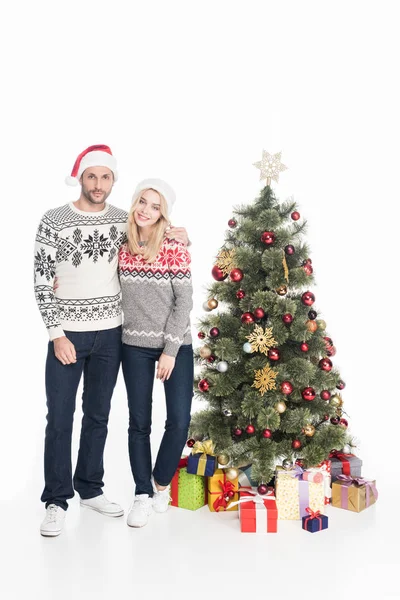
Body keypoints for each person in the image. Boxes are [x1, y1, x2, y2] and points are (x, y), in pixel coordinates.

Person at [34, 146, 189, 537]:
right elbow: (40, 281)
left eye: (106, 178)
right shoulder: (53, 220)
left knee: (98, 416)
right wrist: (56, 334)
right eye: (92, 177)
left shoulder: (124, 219)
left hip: (111, 333)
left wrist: (182, 232)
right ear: (80, 178)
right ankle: (55, 500)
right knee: (60, 418)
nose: (98, 185)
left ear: (113, 182)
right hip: (68, 334)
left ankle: (89, 487)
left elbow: (155, 227)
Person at [119, 178, 194, 528]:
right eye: (143, 202)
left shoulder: (174, 247)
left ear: (164, 213)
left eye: (155, 206)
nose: (146, 211)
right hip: (133, 344)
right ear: (135, 203)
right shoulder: (122, 242)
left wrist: (170, 349)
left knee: (179, 421)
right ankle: (141, 494)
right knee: (139, 422)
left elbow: (185, 302)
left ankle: (160, 483)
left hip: (175, 346)